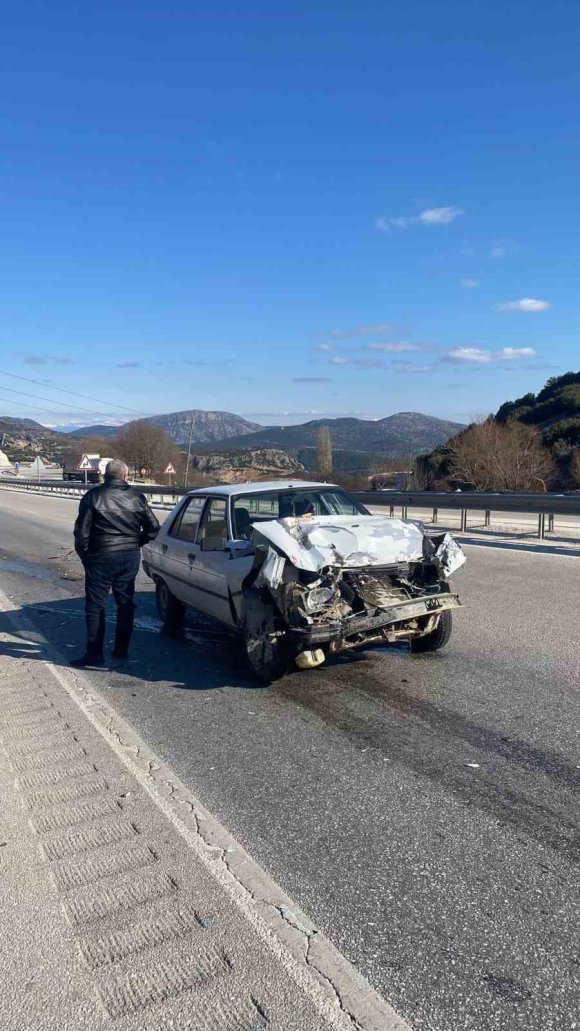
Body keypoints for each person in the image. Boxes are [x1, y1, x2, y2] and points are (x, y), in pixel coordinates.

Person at [72, 459, 160, 667]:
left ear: (105, 475)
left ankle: (94, 654)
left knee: (95, 605)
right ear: (125, 475)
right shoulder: (137, 497)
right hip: (129, 556)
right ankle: (121, 650)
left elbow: (81, 534)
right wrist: (136, 542)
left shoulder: (93, 496)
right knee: (125, 602)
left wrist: (86, 556)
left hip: (100, 556)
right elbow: (154, 528)